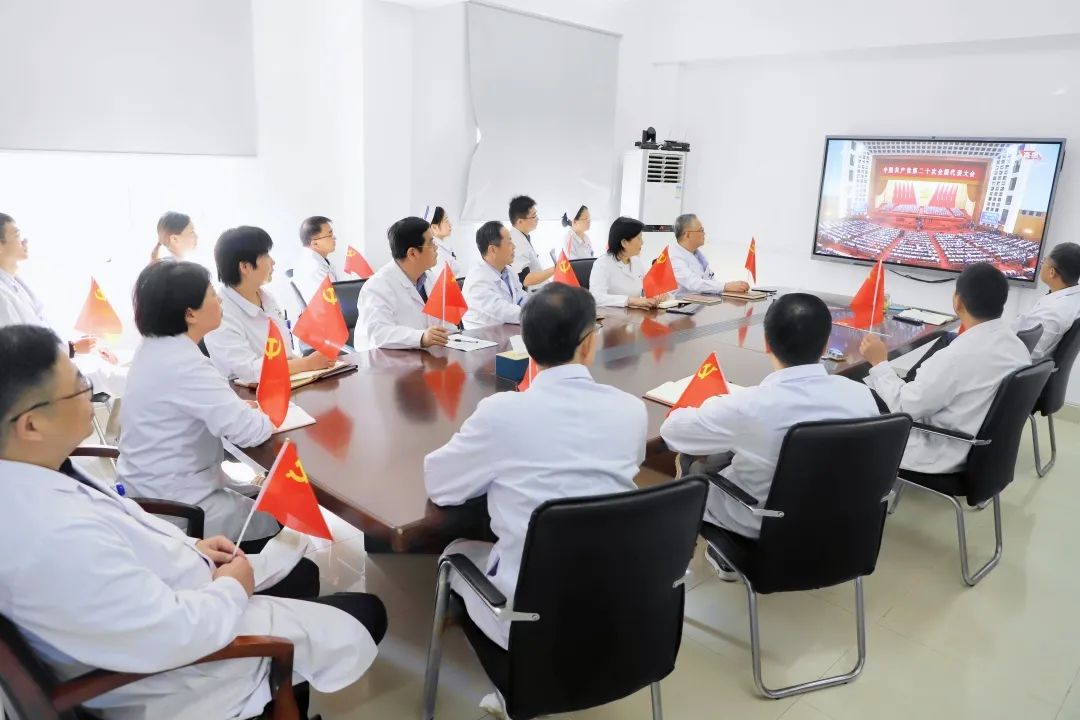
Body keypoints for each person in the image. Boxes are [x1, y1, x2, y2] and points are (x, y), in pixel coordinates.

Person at [0, 323, 386, 720]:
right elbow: (169, 635)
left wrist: (192, 548)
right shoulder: (51, 537)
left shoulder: (33, 474)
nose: (89, 391)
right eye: (78, 386)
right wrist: (232, 588)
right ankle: (277, 691)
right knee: (366, 614)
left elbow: (120, 532)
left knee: (301, 573)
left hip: (166, 604)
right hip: (176, 676)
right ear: (31, 425)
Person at [425, 283, 647, 649]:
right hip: (618, 602)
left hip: (530, 624)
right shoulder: (631, 410)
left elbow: (441, 486)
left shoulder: (501, 413)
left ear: (526, 347)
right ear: (589, 344)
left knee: (455, 551)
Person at [661, 293, 878, 546]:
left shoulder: (748, 405)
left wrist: (710, 403)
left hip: (763, 525)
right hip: (839, 525)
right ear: (825, 345)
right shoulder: (862, 395)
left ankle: (691, 551)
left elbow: (673, 433)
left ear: (766, 343)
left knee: (693, 464)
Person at [118, 261, 284, 542]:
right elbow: (251, 431)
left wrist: (237, 411)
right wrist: (260, 414)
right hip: (180, 506)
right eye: (212, 295)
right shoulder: (185, 364)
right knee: (277, 512)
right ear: (190, 313)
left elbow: (195, 408)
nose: (220, 300)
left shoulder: (153, 349)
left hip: (150, 490)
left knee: (261, 495)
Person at [861, 263, 1031, 474]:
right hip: (984, 452)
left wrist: (879, 362)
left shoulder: (955, 357)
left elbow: (904, 407)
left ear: (957, 301)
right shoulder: (1018, 347)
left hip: (940, 450)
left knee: (854, 398)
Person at [0, 213, 124, 396]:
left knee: (112, 364)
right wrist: (73, 349)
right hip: (32, 379)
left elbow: (44, 327)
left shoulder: (16, 282)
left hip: (50, 362)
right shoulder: (3, 296)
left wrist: (83, 348)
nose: (25, 241)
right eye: (17, 235)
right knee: (109, 376)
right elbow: (22, 349)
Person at [204, 226, 332, 384]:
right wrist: (307, 364)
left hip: (286, 383)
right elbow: (250, 371)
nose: (273, 262)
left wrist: (314, 365)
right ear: (245, 267)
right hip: (248, 392)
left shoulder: (266, 297)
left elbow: (285, 353)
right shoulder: (220, 312)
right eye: (266, 255)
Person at [353, 216, 457, 352]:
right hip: (383, 360)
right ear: (412, 253)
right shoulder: (377, 286)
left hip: (422, 356)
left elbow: (443, 322)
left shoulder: (430, 277)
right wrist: (421, 338)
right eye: (431, 243)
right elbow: (378, 334)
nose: (436, 248)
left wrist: (453, 335)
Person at [1016, 242, 1080, 361]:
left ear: (1052, 272)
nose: (1041, 265)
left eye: (1044, 261)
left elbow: (1025, 354)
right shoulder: (1074, 298)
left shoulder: (1052, 311)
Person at [461, 220, 528, 330]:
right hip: (483, 337)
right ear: (492, 249)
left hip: (507, 331)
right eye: (509, 242)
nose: (514, 246)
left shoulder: (509, 271)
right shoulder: (478, 279)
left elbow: (521, 297)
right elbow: (503, 312)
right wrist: (537, 313)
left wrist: (539, 305)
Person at [589, 216, 666, 309]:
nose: (642, 242)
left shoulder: (637, 262)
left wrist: (658, 294)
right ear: (624, 242)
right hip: (611, 315)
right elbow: (596, 298)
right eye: (639, 238)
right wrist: (630, 301)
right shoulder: (602, 264)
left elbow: (650, 287)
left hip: (634, 314)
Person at [668, 213, 750, 295]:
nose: (704, 234)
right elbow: (693, 283)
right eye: (701, 230)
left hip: (701, 300)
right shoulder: (673, 257)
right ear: (688, 235)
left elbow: (710, 282)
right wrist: (726, 286)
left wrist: (733, 288)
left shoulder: (697, 255)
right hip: (680, 302)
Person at [507, 195, 555, 291]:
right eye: (533, 216)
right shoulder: (516, 242)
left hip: (540, 289)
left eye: (536, 215)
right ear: (520, 221)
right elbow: (525, 279)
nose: (537, 219)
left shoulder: (522, 236)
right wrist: (556, 269)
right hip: (532, 294)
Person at [294, 215, 344, 303]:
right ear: (315, 244)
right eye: (330, 235)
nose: (334, 237)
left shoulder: (314, 261)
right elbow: (333, 302)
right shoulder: (315, 268)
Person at [428, 206, 465, 278]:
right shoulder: (437, 253)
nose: (450, 224)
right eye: (446, 221)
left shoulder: (442, 248)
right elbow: (441, 281)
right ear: (434, 227)